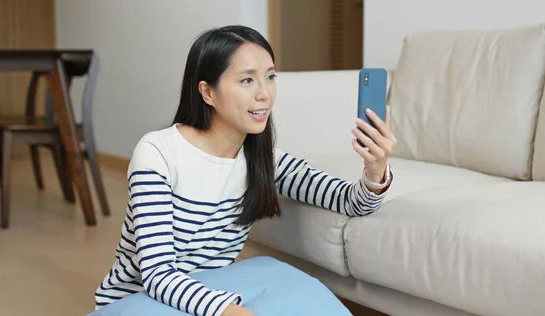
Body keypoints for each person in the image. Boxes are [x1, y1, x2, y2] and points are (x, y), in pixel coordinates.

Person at [93, 25, 397, 316]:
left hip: (211, 291)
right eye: (247, 80)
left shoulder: (266, 159)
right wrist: (232, 311)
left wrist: (375, 170)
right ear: (207, 92)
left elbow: (350, 202)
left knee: (298, 289)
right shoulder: (158, 152)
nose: (264, 94)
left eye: (270, 77)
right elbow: (158, 275)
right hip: (137, 300)